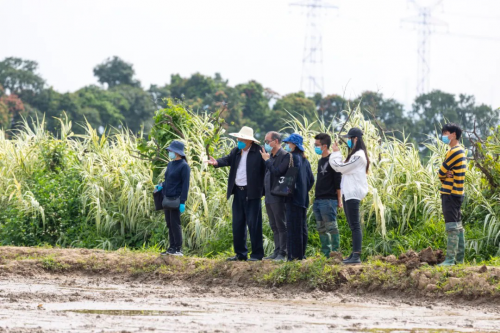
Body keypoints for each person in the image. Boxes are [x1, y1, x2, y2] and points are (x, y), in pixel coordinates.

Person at [206, 126, 266, 261]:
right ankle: (240, 254)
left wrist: (264, 190)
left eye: (242, 139)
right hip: (238, 192)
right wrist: (216, 163)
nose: (239, 140)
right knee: (238, 224)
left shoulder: (259, 152)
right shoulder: (236, 151)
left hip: (253, 194)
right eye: (239, 138)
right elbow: (226, 160)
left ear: (249, 140)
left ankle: (257, 254)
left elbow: (267, 169)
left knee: (254, 224)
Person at [329, 128, 369, 265]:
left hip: (353, 193)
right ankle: (354, 253)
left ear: (355, 139)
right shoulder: (355, 155)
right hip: (348, 193)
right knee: (353, 225)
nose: (348, 141)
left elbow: (340, 167)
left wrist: (335, 153)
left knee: (355, 225)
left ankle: (356, 255)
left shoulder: (359, 156)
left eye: (349, 138)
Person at [437, 123, 467, 266]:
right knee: (458, 225)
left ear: (453, 134)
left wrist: (444, 175)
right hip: (458, 192)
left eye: (445, 133)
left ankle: (449, 260)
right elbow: (445, 172)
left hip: (449, 192)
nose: (443, 136)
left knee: (451, 226)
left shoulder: (454, 151)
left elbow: (441, 172)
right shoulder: (461, 151)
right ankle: (459, 260)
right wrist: (446, 174)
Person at [282, 133, 314, 260]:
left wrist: (285, 192)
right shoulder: (305, 160)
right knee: (302, 228)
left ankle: (293, 256)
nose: (287, 145)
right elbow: (311, 180)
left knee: (292, 227)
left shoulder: (292, 158)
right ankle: (301, 254)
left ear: (294, 145)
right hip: (303, 199)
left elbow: (289, 178)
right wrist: (304, 191)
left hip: (293, 198)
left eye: (289, 143)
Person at [260, 131, 289, 261]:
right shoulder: (270, 156)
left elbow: (278, 172)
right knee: (274, 225)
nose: (266, 144)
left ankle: (283, 252)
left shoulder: (284, 155)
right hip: (269, 196)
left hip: (278, 195)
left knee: (281, 224)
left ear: (276, 141)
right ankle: (276, 252)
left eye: (267, 141)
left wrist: (266, 161)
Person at [159, 140, 190, 256]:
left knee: (175, 223)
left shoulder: (184, 166)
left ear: (177, 152)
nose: (169, 152)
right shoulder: (170, 164)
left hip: (176, 199)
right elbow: (168, 181)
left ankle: (178, 248)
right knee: (169, 223)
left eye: (171, 151)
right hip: (167, 198)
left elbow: (185, 185)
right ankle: (171, 247)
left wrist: (183, 201)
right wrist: (161, 186)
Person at [313, 133, 342, 258]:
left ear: (325, 146)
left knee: (331, 227)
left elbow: (338, 181)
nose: (315, 147)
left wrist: (339, 200)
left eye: (317, 145)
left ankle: (335, 253)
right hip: (318, 200)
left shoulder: (333, 160)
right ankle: (325, 254)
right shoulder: (320, 161)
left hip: (329, 199)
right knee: (321, 228)